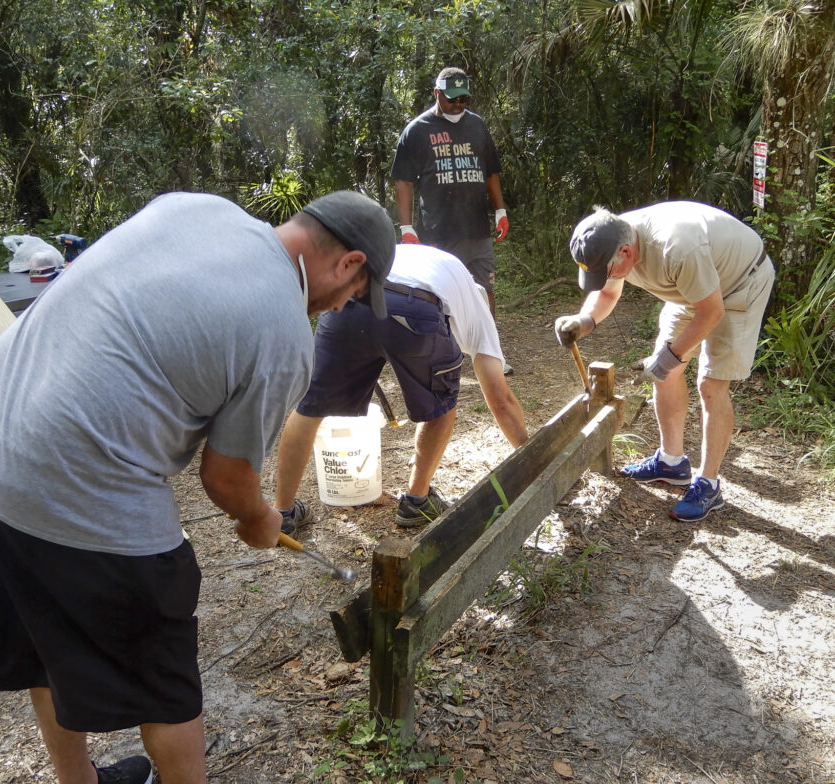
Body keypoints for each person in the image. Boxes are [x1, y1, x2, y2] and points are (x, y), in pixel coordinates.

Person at [0, 190, 395, 784]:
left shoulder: (196, 208)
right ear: (347, 262)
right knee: (164, 679)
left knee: (43, 642)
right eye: (357, 291)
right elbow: (226, 477)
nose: (347, 306)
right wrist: (263, 519)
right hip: (77, 480)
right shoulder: (283, 331)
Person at [274, 242, 528, 535]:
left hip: (345, 297)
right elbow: (501, 401)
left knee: (310, 406)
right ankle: (416, 500)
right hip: (413, 304)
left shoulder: (427, 260)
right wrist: (534, 457)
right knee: (441, 405)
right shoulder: (477, 310)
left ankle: (281, 514)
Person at [555, 202, 774, 522]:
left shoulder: (678, 247)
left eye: (607, 271)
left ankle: (709, 485)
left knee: (711, 385)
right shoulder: (612, 235)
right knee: (665, 374)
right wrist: (582, 322)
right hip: (692, 290)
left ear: (627, 253)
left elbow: (711, 311)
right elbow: (606, 295)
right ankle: (672, 463)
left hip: (740, 284)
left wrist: (668, 357)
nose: (606, 278)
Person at [391, 67, 510, 338]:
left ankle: (489, 348)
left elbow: (491, 172)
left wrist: (500, 210)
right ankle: (445, 351)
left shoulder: (477, 125)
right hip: (438, 232)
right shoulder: (416, 131)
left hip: (476, 228)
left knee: (484, 290)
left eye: (463, 99)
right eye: (452, 99)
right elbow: (404, 182)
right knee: (441, 294)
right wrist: (407, 228)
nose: (458, 105)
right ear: (437, 94)